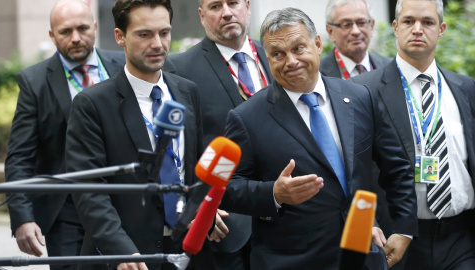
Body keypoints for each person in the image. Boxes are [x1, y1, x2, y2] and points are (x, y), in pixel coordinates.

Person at [220, 7, 417, 270]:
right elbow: (223, 186)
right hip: (291, 260)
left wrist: (404, 228)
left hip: (362, 248)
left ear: (316, 44)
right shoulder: (245, 117)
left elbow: (396, 167)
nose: (290, 61)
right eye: (278, 54)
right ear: (267, 58)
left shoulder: (360, 97)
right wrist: (274, 194)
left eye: (298, 48)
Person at [65, 0, 214, 269]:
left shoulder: (187, 92)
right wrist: (121, 250)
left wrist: (205, 212)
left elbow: (194, 170)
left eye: (164, 32)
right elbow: (89, 192)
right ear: (120, 37)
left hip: (188, 252)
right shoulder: (93, 103)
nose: (158, 44)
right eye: (145, 34)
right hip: (127, 256)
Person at [351, 0, 475, 269]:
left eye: (428, 22)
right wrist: (364, 228)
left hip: (461, 239)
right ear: (395, 27)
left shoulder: (466, 88)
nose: (417, 29)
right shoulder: (361, 91)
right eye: (408, 21)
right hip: (395, 241)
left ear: (441, 29)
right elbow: (351, 169)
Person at [4, 1, 125, 269]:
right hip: (68, 213)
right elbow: (20, 157)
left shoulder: (123, 66)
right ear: (51, 36)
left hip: (124, 200)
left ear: (95, 27)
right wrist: (23, 217)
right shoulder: (34, 82)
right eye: (65, 31)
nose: (76, 38)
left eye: (82, 28)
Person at [163, 0, 273, 269]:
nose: (226, 12)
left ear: (247, 6)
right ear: (201, 16)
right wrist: (197, 206)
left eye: (233, 3)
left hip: (283, 220)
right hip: (223, 225)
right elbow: (176, 150)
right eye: (215, 6)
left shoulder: (276, 54)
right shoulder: (179, 68)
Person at [321, 0, 391, 79]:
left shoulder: (391, 68)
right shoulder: (318, 74)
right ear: (331, 32)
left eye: (361, 22)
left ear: (371, 26)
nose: (356, 31)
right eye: (346, 24)